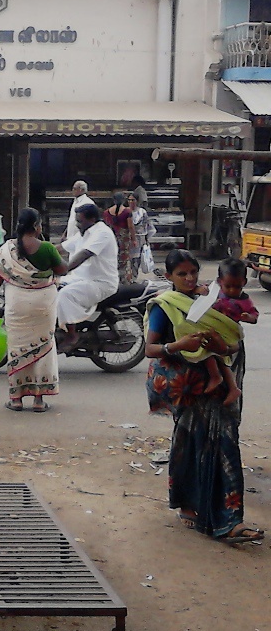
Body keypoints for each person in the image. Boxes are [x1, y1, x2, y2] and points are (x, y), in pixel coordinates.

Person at [144, 249, 263, 544]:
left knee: (225, 446)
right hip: (189, 389)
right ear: (169, 276)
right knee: (189, 444)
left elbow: (231, 345)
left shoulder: (211, 300)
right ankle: (188, 505)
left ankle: (229, 520)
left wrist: (223, 346)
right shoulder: (165, 306)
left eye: (193, 272)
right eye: (181, 274)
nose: (189, 278)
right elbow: (150, 349)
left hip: (218, 388)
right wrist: (178, 344)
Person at [0, 208, 68, 413]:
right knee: (43, 349)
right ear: (36, 226)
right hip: (43, 305)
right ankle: (38, 400)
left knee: (17, 349)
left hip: (16, 305)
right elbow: (62, 269)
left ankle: (17, 399)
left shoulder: (6, 250)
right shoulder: (46, 248)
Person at [175, 258, 258, 406]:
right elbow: (194, 291)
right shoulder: (214, 292)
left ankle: (228, 385)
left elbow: (254, 316)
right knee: (208, 354)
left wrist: (248, 317)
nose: (232, 290)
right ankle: (219, 379)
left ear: (244, 283)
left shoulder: (244, 300)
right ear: (219, 281)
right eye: (228, 286)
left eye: (237, 287)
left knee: (220, 357)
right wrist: (198, 290)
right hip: (211, 332)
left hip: (229, 336)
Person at [56, 203, 118, 352]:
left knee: (65, 295)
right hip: (80, 279)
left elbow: (84, 254)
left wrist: (65, 269)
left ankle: (72, 335)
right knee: (51, 287)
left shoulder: (102, 233)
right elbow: (61, 248)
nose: (77, 225)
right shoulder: (84, 233)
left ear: (92, 219)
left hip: (101, 283)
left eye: (80, 221)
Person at [102, 192, 136, 284]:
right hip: (123, 240)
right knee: (124, 261)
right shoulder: (127, 212)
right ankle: (124, 281)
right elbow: (131, 226)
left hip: (110, 239)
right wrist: (134, 239)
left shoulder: (106, 212)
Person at [127, 192, 155, 281]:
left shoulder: (142, 212)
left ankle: (134, 277)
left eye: (133, 200)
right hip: (128, 238)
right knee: (128, 259)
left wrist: (147, 237)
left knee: (136, 259)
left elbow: (148, 225)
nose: (131, 202)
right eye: (129, 200)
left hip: (140, 238)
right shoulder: (126, 211)